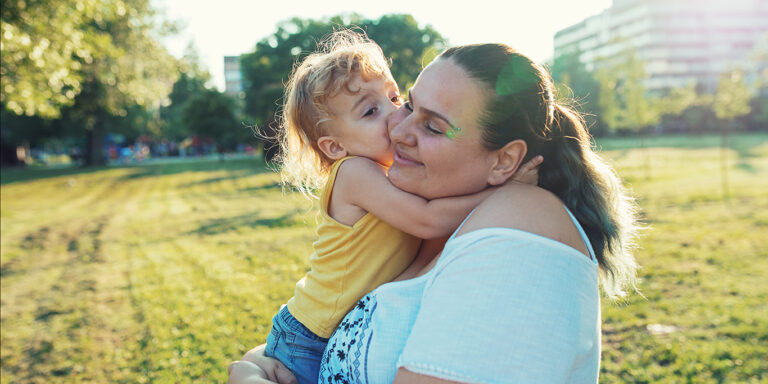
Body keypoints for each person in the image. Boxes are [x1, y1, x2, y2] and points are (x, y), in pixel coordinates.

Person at [230, 42, 638, 384]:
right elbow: (330, 322)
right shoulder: (413, 208)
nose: (398, 127)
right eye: (409, 104)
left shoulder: (522, 223)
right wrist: (251, 367)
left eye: (434, 127)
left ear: (504, 161)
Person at [259, 31, 541, 384]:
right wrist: (504, 189)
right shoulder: (354, 173)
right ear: (334, 147)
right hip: (308, 336)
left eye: (395, 98)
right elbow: (426, 219)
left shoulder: (389, 174)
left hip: (325, 328)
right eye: (371, 111)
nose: (395, 116)